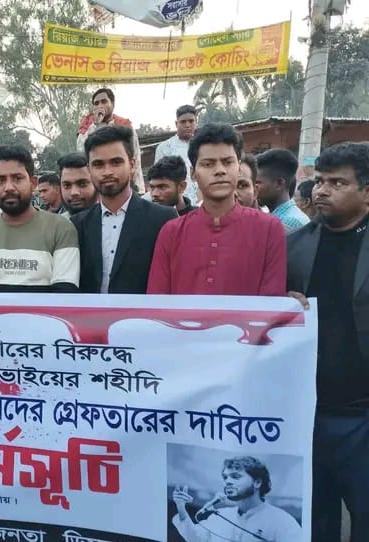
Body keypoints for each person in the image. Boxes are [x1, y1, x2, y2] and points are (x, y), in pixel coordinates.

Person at [286, 143, 369, 542]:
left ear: (366, 192)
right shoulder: (294, 246)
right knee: (314, 523)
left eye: (337, 183)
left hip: (362, 415)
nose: (321, 191)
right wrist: (281, 305)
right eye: (319, 181)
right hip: (307, 414)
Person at [147, 123, 286, 295]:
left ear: (238, 167)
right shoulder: (171, 233)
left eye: (227, 162)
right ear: (193, 173)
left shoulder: (269, 229)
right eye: (208, 164)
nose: (220, 171)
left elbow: (272, 301)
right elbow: (157, 301)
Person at [72, 126, 176, 294]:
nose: (107, 172)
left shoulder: (162, 219)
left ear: (132, 165)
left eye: (116, 162)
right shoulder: (77, 225)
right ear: (89, 170)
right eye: (98, 164)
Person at [0, 145, 79, 292]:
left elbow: (64, 295)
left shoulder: (60, 229)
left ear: (33, 183)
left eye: (17, 178)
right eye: (0, 180)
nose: (9, 187)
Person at [172, 456, 302, 542]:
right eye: (225, 477)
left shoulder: (282, 521)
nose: (228, 481)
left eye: (235, 476)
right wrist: (181, 508)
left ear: (257, 482)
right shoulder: (220, 516)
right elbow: (196, 539)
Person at [77, 88, 144, 193]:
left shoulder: (125, 126)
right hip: (97, 186)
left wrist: (140, 188)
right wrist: (95, 125)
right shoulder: (86, 127)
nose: (100, 106)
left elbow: (136, 158)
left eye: (104, 102)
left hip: (124, 184)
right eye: (96, 103)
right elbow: (81, 153)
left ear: (112, 104)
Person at [154, 104, 200, 204]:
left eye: (191, 121)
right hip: (176, 203)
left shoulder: (202, 146)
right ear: (176, 124)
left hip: (201, 201)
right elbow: (158, 179)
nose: (187, 125)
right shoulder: (165, 147)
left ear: (196, 122)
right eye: (183, 122)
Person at [256, 149, 309, 233]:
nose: (253, 189)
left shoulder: (288, 223)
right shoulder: (277, 217)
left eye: (257, 183)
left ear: (279, 183)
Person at [57, 153, 98, 218]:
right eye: (67, 185)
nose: (74, 192)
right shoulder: (56, 223)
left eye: (82, 184)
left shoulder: (112, 221)